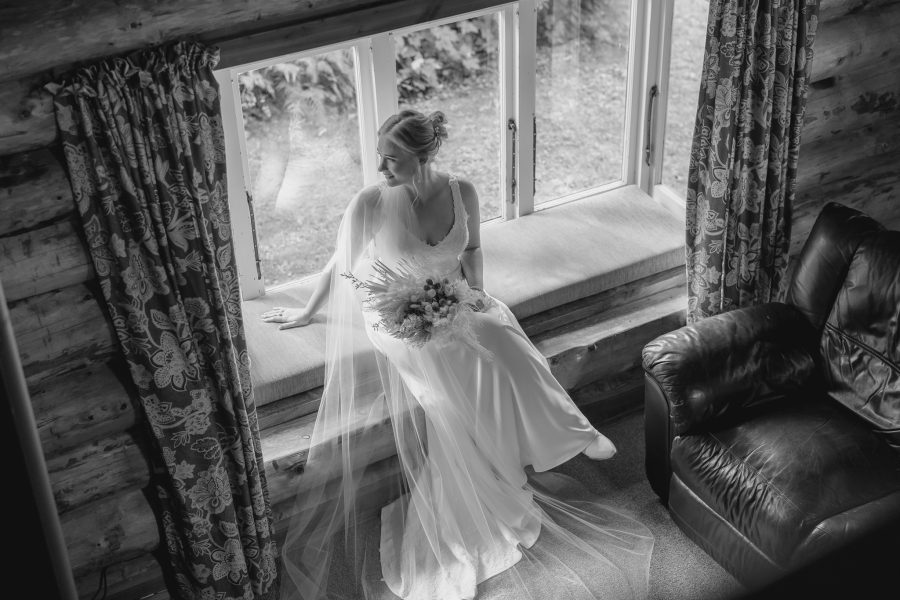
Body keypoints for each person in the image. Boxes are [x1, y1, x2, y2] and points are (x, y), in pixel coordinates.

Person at [264, 110, 654, 600]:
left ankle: (573, 431)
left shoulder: (461, 191)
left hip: (448, 294)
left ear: (423, 156)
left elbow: (470, 253)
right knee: (458, 361)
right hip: (393, 310)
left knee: (500, 335)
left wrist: (480, 295)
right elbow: (340, 262)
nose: (382, 168)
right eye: (380, 158)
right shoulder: (370, 202)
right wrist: (306, 312)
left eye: (392, 159)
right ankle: (499, 466)